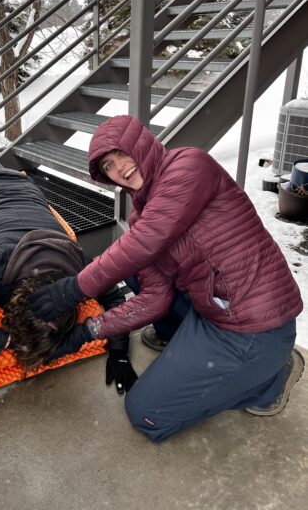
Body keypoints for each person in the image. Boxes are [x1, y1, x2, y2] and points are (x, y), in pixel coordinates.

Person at [29, 114, 305, 443]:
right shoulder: (142, 215)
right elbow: (154, 297)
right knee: (133, 268)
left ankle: (268, 382)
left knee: (146, 414)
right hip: (215, 310)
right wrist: (88, 331)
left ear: (139, 142)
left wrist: (74, 288)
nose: (118, 168)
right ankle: (179, 339)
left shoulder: (189, 165)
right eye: (107, 167)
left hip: (255, 329)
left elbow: (146, 240)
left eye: (120, 154)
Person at [0, 146, 137, 392]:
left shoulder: (78, 266)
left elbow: (114, 298)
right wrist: (9, 340)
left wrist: (119, 351)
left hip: (20, 185)